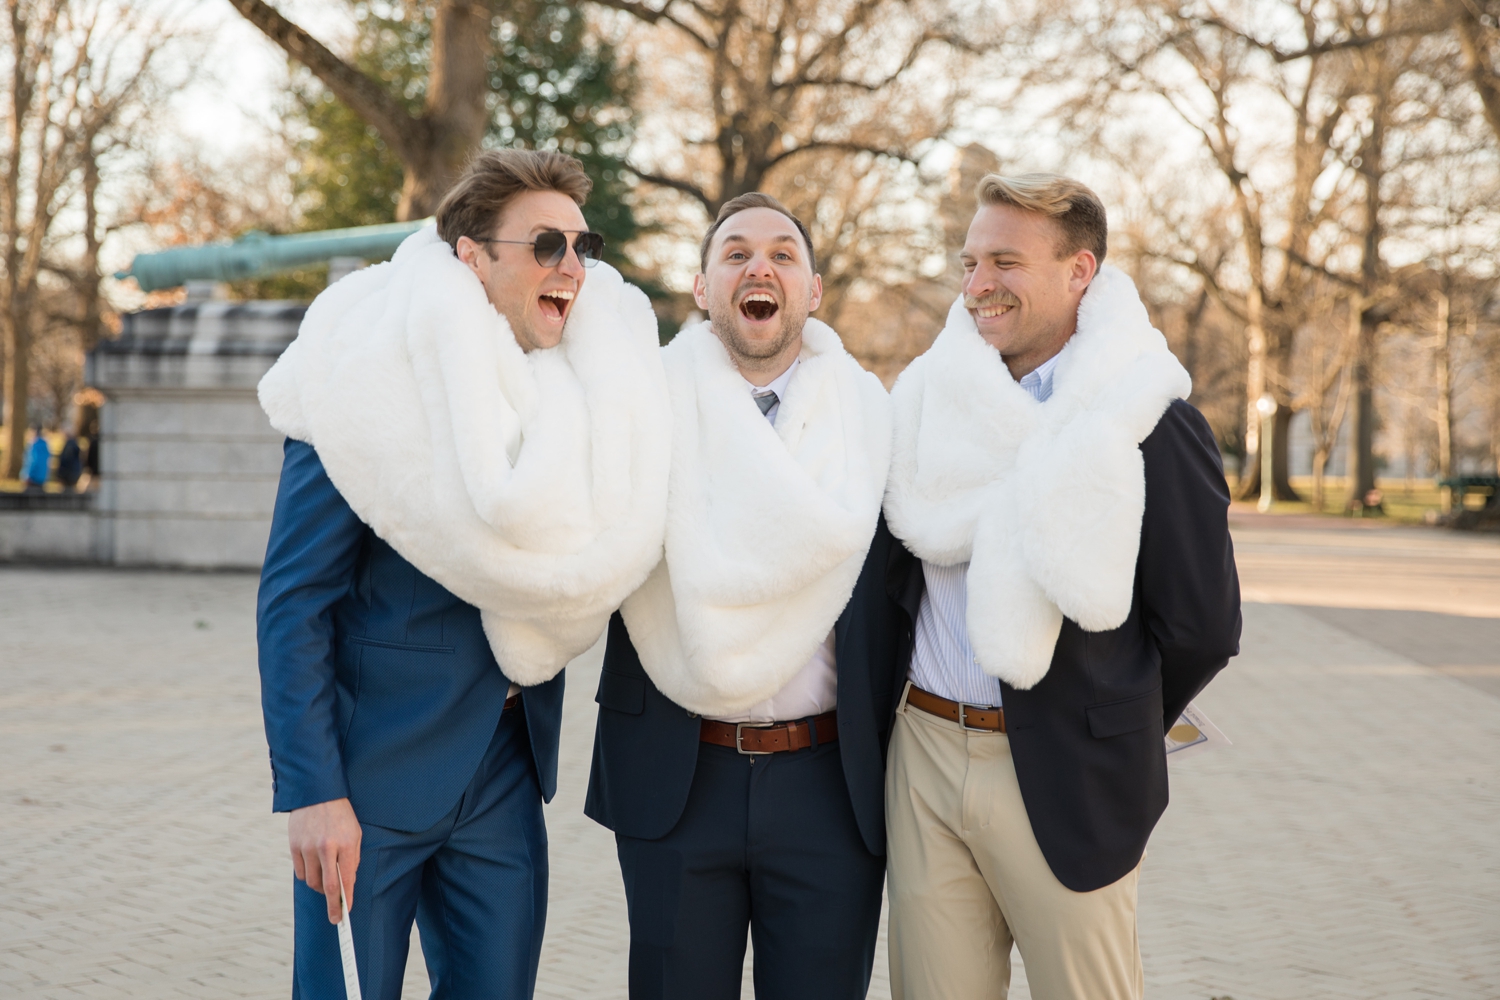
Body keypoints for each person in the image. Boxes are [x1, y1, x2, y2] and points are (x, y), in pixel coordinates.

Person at [255, 149, 671, 1000]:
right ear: (471, 257)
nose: (572, 266)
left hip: (505, 776)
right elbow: (293, 604)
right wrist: (313, 793)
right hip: (367, 783)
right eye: (546, 244)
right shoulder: (359, 381)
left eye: (582, 247)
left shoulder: (578, 398)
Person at [882, 173, 1242, 1000]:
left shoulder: (1146, 418)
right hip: (924, 757)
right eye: (970, 262)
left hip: (1066, 766)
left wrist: (1109, 718)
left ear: (1080, 271)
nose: (977, 286)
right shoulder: (926, 403)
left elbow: (1203, 626)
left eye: (1005, 261)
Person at [586, 193, 912, 1000]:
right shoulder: (639, 405)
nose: (758, 266)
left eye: (781, 254)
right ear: (701, 288)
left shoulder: (876, 418)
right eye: (734, 253)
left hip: (830, 786)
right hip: (676, 769)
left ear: (814, 292)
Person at [22, 424, 50, 492]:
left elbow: (33, 461)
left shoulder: (35, 446)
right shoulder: (45, 446)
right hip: (42, 478)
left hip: (33, 478)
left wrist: (27, 475)